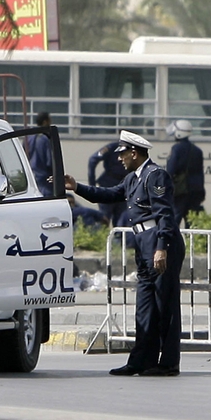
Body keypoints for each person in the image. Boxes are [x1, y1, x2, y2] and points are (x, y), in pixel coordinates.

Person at [64, 130, 184, 377]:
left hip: (161, 243)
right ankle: (141, 360)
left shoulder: (155, 175)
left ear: (134, 152)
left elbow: (165, 216)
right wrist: (77, 187)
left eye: (122, 154)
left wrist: (162, 247)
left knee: (165, 306)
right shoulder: (132, 179)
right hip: (143, 244)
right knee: (145, 308)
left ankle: (169, 362)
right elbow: (109, 194)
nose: (119, 158)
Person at [166, 120, 205, 228]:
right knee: (192, 223)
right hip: (196, 191)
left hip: (180, 192)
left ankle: (170, 245)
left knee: (173, 221)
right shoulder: (197, 151)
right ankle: (191, 244)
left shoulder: (176, 149)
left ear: (179, 133)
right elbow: (200, 173)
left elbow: (170, 170)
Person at [87, 140, 131, 226]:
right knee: (104, 218)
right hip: (108, 184)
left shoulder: (134, 150)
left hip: (124, 185)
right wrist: (92, 183)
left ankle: (118, 239)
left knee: (121, 219)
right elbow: (93, 159)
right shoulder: (112, 147)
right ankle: (101, 238)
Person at [28, 112, 53, 197]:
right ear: (45, 122)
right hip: (45, 181)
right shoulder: (46, 139)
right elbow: (50, 162)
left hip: (31, 178)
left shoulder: (28, 138)